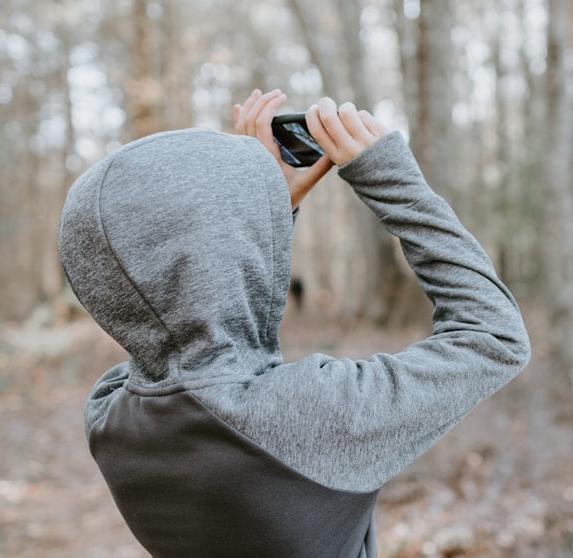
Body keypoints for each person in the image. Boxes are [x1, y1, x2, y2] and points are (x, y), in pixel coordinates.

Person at [57, 89, 531, 557]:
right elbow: (493, 335)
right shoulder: (311, 416)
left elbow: (167, 315)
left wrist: (265, 211)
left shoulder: (109, 419)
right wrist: (390, 179)